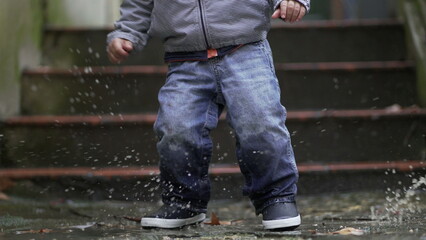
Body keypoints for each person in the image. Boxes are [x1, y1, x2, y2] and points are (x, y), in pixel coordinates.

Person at [107, 0, 310, 231]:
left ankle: (277, 197)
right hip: (184, 58)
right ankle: (183, 201)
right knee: (176, 127)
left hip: (245, 48)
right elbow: (138, 2)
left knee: (260, 121)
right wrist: (127, 32)